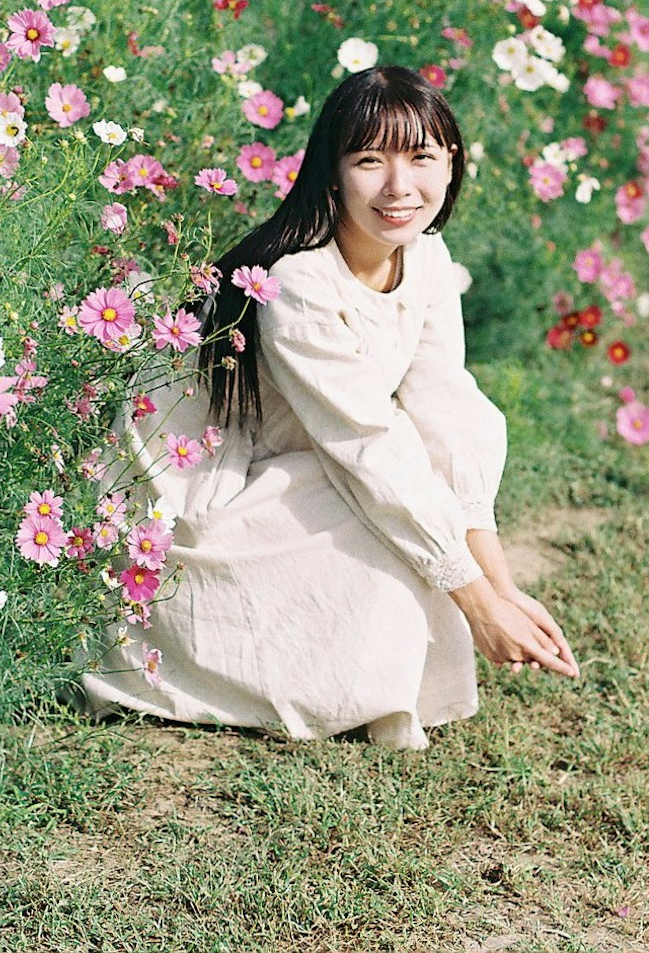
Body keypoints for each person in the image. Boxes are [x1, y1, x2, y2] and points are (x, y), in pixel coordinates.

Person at [83, 65, 577, 749]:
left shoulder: (426, 258)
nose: (400, 188)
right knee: (399, 540)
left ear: (452, 160)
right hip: (188, 513)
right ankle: (293, 678)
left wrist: (501, 589)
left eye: (421, 157)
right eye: (370, 160)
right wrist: (475, 602)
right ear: (333, 171)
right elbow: (367, 446)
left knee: (417, 509)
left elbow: (447, 411)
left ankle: (368, 677)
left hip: (300, 463)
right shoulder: (297, 281)